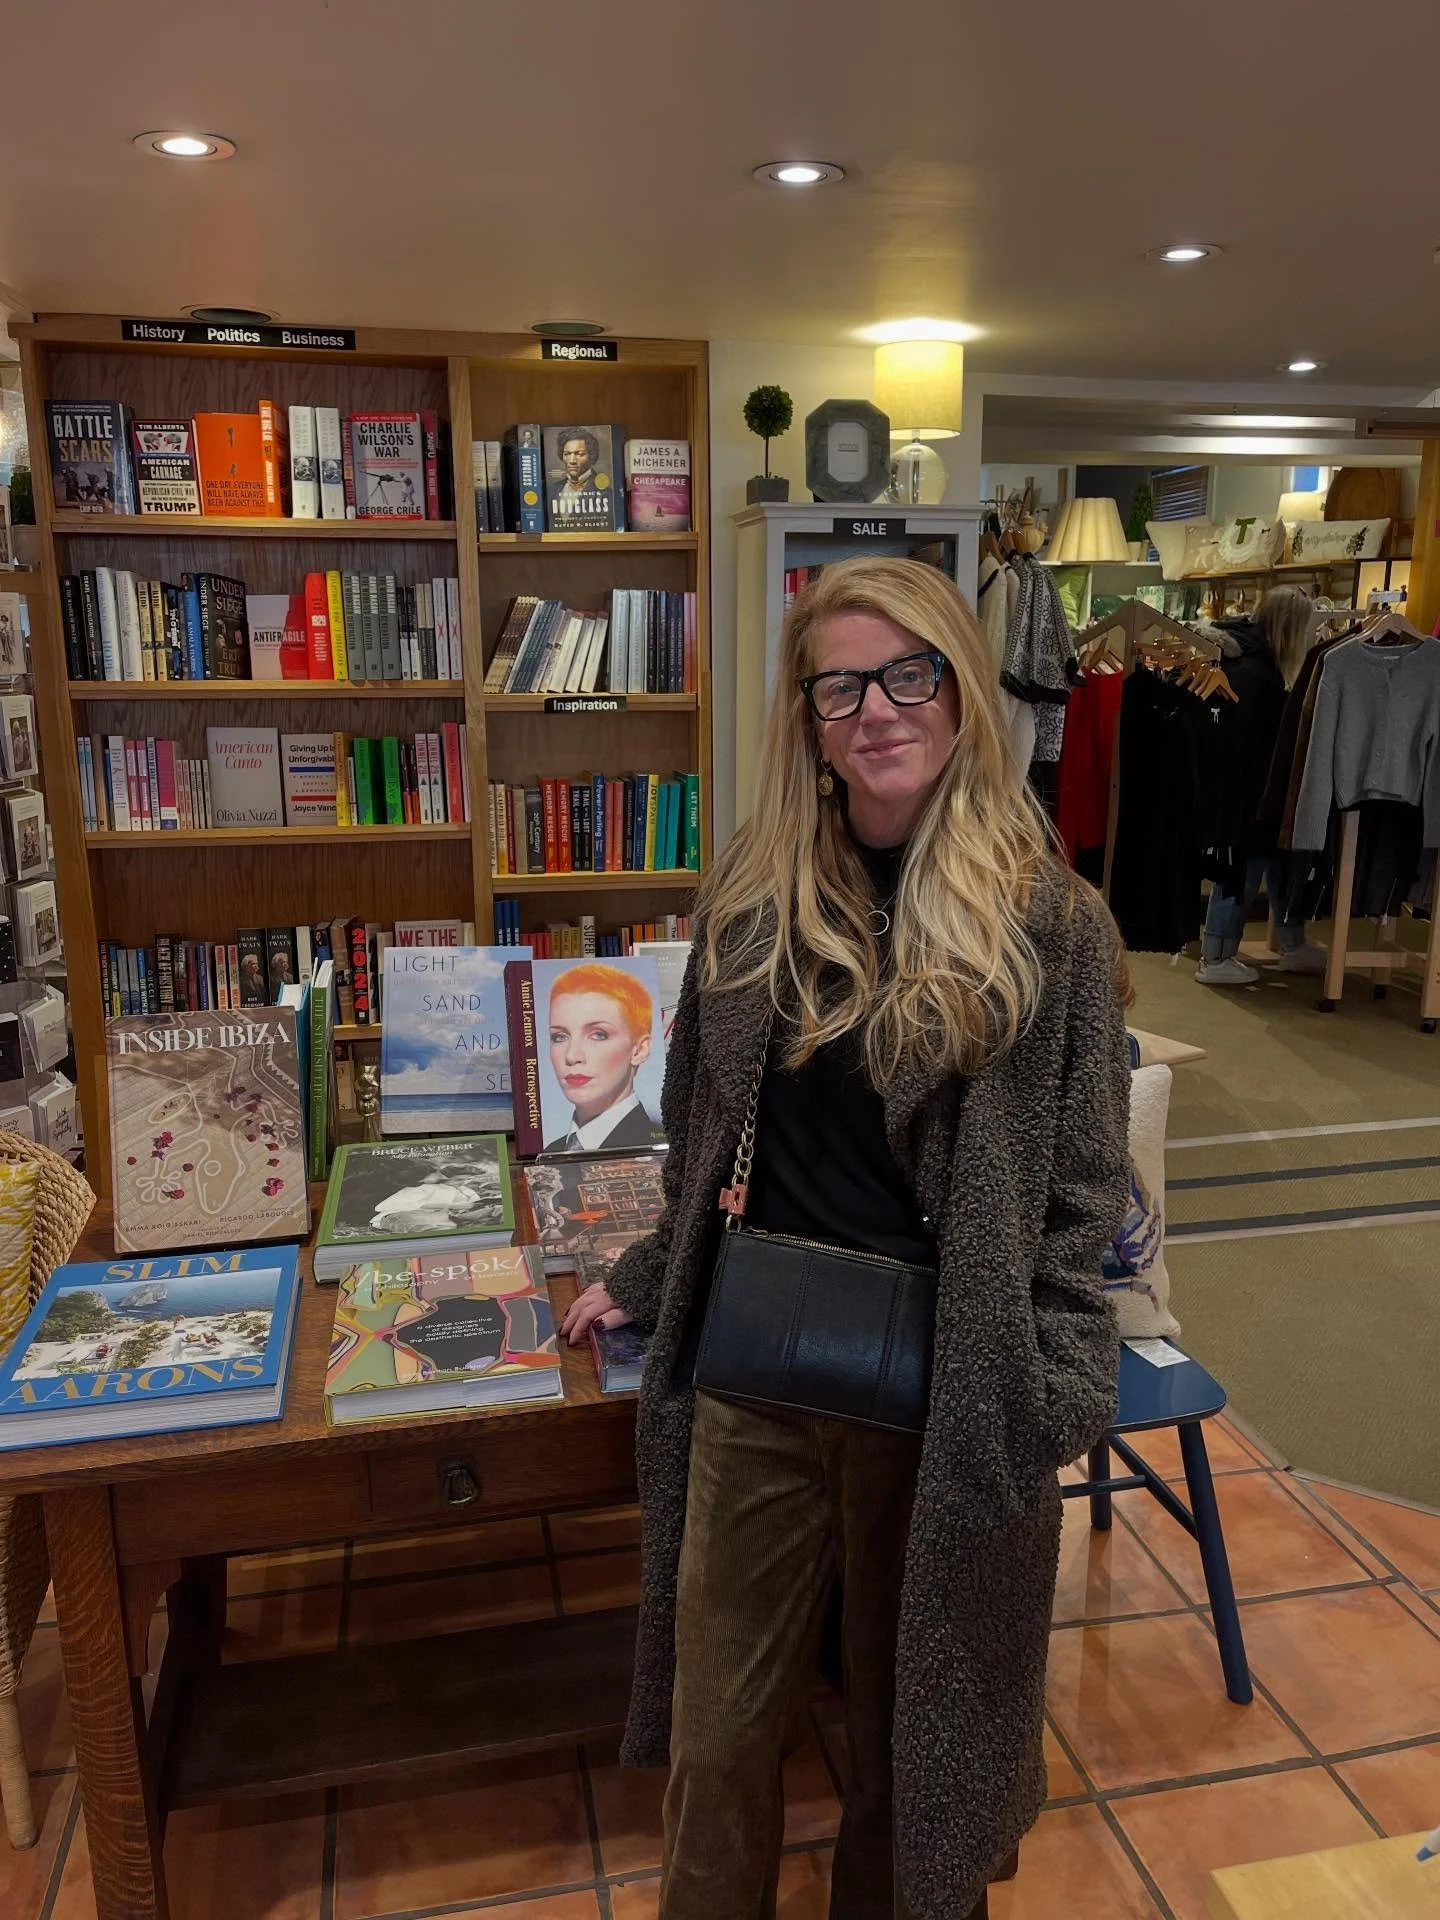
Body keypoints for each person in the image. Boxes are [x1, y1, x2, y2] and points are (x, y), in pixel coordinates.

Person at [560, 556, 1132, 1920]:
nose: (878, 709)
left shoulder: (1055, 925)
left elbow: (1082, 1189)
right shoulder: (757, 904)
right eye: (842, 686)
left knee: (910, 1752)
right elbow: (702, 1126)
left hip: (950, 1398)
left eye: (909, 674)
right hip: (756, 1377)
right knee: (719, 1741)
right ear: (810, 720)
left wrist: (1048, 1390)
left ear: (959, 693)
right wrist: (645, 1273)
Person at [1195, 585, 1327, 986]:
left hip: (1250, 786)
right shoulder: (1259, 673)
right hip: (1250, 789)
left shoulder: (1248, 660)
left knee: (1272, 863)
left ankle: (1285, 942)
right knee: (1244, 869)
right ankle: (1216, 955)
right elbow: (1251, 740)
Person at [543, 961, 665, 1152]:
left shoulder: (658, 1146)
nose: (572, 1056)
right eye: (559, 1037)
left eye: (599, 1034)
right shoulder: (551, 1151)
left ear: (639, 1050)